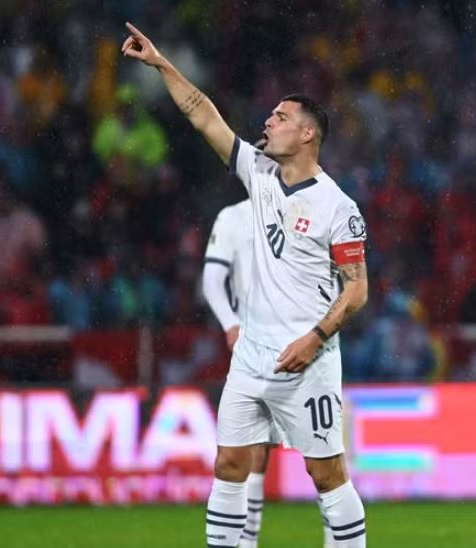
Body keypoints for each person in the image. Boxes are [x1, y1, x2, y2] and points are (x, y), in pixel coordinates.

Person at [122, 23, 369, 548]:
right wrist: (161, 64)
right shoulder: (258, 173)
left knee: (326, 473)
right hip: (252, 356)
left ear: (307, 134)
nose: (268, 121)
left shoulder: (338, 208)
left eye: (281, 117)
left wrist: (314, 340)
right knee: (229, 464)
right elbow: (202, 115)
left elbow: (357, 291)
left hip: (307, 361)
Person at [202, 198, 334, 547]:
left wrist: (323, 332)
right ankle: (247, 543)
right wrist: (230, 324)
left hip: (309, 347)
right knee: (250, 450)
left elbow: (334, 278)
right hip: (256, 348)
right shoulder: (233, 216)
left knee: (325, 457)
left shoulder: (313, 212)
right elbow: (213, 279)